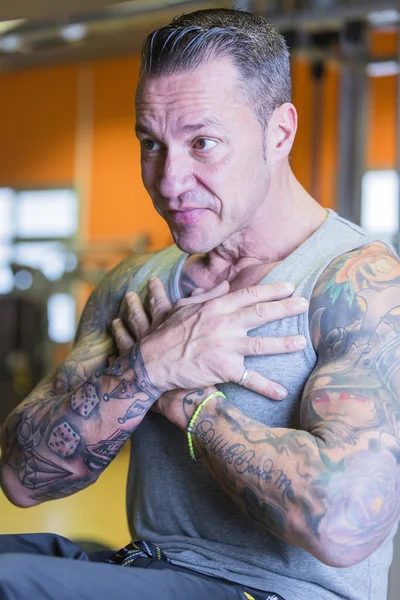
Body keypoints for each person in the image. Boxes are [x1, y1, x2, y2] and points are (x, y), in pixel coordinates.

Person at [1, 7, 400, 600]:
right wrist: (146, 368)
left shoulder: (359, 283)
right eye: (151, 144)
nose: (168, 180)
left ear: (279, 133)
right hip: (148, 568)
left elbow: (343, 524)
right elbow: (21, 478)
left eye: (203, 142)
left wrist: (185, 399)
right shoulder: (135, 282)